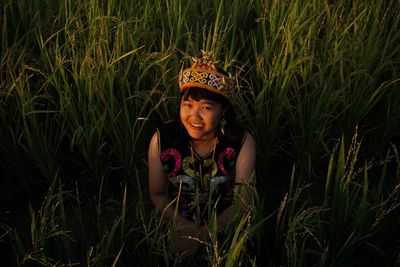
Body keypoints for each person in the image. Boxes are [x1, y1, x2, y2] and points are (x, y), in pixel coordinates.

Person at [147, 51, 256, 261]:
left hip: (227, 219)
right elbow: (158, 194)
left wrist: (204, 236)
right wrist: (185, 228)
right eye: (187, 105)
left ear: (223, 110)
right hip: (178, 219)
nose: (194, 116)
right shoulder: (162, 139)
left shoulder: (241, 141)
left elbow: (245, 200)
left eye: (206, 107)